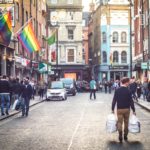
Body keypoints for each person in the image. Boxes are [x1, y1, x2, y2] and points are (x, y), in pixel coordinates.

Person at [112, 77, 136, 143]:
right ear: (126, 82)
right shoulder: (128, 90)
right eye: (128, 82)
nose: (129, 83)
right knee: (126, 122)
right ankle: (125, 135)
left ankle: (120, 134)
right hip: (127, 109)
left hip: (119, 109)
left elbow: (114, 100)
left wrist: (112, 109)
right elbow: (131, 101)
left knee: (119, 122)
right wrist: (133, 110)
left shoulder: (117, 90)